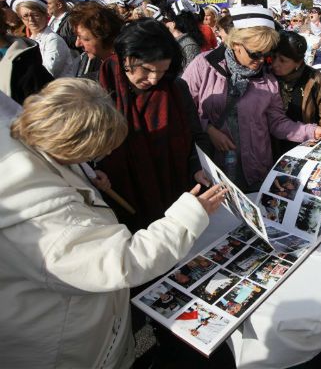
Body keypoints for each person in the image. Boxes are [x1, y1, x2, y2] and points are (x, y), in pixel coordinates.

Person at [0, 78, 227, 369]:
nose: (103, 157)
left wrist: (81, 174)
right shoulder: (42, 216)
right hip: (67, 347)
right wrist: (188, 216)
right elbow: (124, 261)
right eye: (96, 152)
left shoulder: (25, 146)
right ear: (73, 145)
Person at [182, 6, 321, 191]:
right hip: (213, 167)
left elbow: (277, 122)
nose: (261, 60)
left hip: (255, 168)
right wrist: (209, 129)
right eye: (255, 53)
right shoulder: (203, 66)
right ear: (236, 43)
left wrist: (311, 131)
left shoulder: (267, 77)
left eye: (266, 55)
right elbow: (182, 111)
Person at [97, 18, 212, 231]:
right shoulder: (97, 90)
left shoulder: (175, 89)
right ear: (126, 58)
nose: (153, 80)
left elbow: (196, 135)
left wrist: (197, 167)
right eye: (147, 70)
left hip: (171, 190)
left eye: (161, 71)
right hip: (121, 196)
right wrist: (92, 169)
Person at [271, 31, 321, 155]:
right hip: (270, 146)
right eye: (273, 57)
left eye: (282, 60)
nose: (275, 64)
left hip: (303, 145)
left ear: (298, 62)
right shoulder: (266, 76)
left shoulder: (314, 79)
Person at [7, 0, 75, 78]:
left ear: (44, 14)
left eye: (35, 15)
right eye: (25, 16)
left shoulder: (52, 39)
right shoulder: (30, 41)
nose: (31, 20)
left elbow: (47, 73)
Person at [68, 1, 123, 80]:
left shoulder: (130, 69)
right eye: (77, 37)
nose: (77, 44)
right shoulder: (90, 61)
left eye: (84, 39)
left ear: (105, 35)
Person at [164, 0, 206, 70]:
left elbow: (191, 74)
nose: (164, 24)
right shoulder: (170, 41)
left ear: (174, 23)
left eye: (166, 20)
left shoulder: (189, 45)